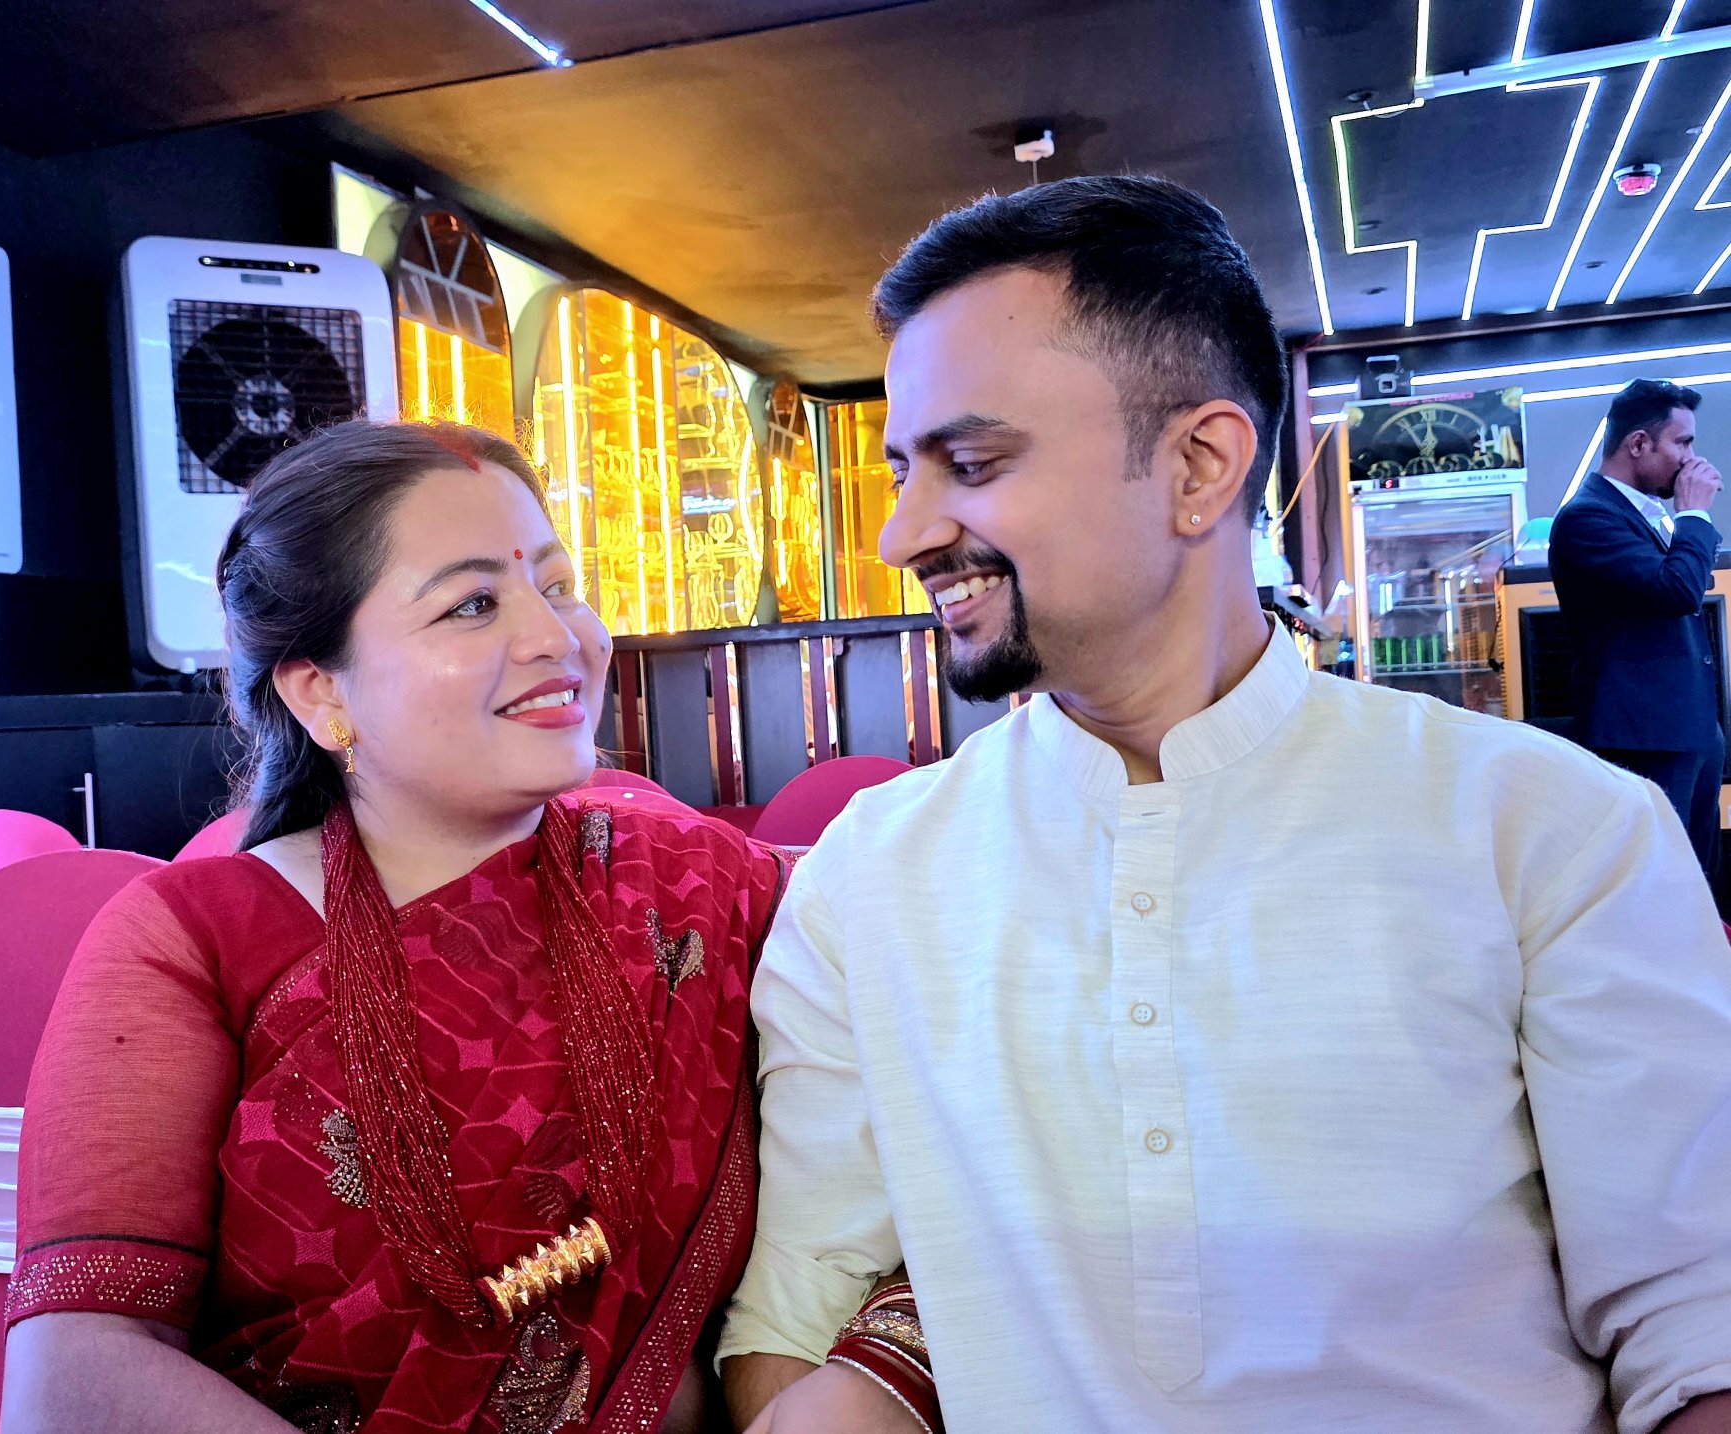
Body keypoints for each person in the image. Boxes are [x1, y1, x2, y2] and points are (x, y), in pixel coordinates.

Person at [719, 177, 1731, 1433]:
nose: (900, 535)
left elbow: (1698, 1325)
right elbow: (793, 1313)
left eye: (968, 463)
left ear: (1199, 465)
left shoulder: (1548, 829)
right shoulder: (867, 873)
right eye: (899, 472)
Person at [0, 421, 793, 1433]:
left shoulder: (704, 883)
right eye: (472, 605)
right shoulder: (197, 941)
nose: (559, 638)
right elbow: (77, 1373)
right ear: (321, 692)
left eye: (558, 586)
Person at [1550, 378, 1725, 875]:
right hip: (1644, 737)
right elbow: (1677, 590)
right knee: (1658, 882)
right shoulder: (1587, 517)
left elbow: (1683, 586)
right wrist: (1694, 514)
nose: (1692, 459)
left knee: (1695, 883)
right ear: (1639, 443)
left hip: (1686, 729)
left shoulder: (1635, 514)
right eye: (1682, 442)